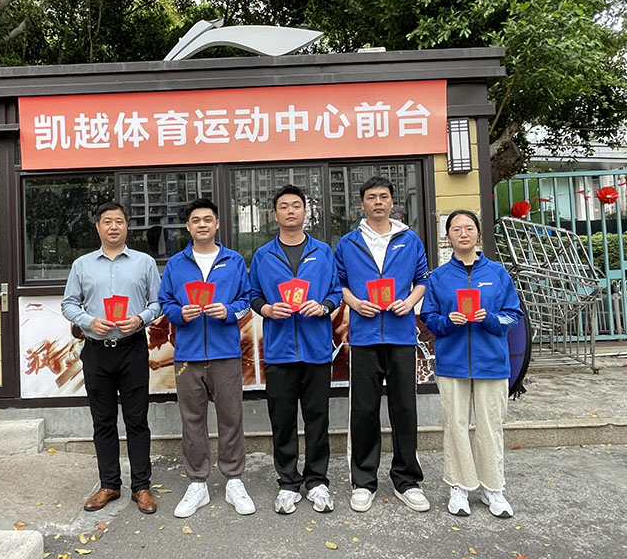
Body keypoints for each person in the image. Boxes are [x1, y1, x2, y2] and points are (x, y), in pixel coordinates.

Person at [333, 176, 430, 513]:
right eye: (371, 197)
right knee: (364, 410)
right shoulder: (348, 243)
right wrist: (355, 304)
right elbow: (339, 284)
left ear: (392, 202)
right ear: (362, 203)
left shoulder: (409, 239)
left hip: (401, 335)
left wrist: (410, 302)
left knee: (405, 409)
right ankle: (363, 481)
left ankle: (407, 480)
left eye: (384, 196)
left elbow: (422, 279)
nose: (378, 202)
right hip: (364, 337)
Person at [420, 210, 523, 518]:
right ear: (447, 236)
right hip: (452, 364)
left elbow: (512, 315)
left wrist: (490, 319)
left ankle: (493, 488)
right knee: (455, 426)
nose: (463, 234)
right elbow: (429, 318)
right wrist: (446, 322)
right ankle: (459, 486)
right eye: (456, 229)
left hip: (491, 363)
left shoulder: (498, 274)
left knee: (490, 427)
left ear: (478, 233)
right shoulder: (438, 277)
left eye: (469, 228)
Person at [158, 198, 256, 518]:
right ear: (188, 227)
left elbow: (246, 301)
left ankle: (234, 480)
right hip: (187, 354)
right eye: (196, 220)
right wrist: (179, 314)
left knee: (231, 418)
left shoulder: (233, 260)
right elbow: (165, 302)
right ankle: (197, 482)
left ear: (217, 224)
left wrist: (227, 311)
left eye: (207, 219)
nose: (202, 224)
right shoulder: (176, 264)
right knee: (192, 420)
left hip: (225, 351)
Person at [62, 202, 161, 514]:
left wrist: (141, 318)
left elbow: (159, 302)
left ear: (127, 226)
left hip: (132, 348)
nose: (113, 226)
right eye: (107, 221)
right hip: (97, 351)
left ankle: (141, 487)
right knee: (103, 421)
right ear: (98, 227)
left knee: (137, 420)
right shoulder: (82, 265)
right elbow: (68, 304)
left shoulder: (144, 262)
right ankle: (109, 484)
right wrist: (88, 321)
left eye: (119, 221)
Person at [249, 184, 342, 515]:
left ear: (305, 212)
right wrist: (267, 309)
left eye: (296, 205)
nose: (290, 211)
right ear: (275, 214)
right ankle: (288, 482)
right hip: (280, 350)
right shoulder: (263, 255)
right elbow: (252, 295)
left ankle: (317, 481)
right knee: (283, 420)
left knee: (317, 419)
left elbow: (336, 292)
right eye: (284, 206)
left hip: (316, 349)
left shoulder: (323, 252)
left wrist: (324, 306)